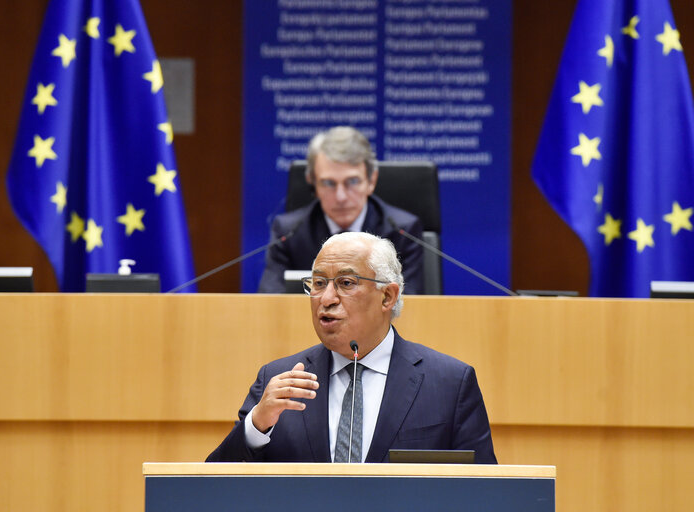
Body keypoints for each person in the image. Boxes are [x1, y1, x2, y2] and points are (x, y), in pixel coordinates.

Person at [208, 232, 496, 463]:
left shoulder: (449, 384)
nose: (327, 298)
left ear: (387, 297)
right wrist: (257, 426)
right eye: (319, 283)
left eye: (345, 283)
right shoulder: (278, 378)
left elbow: (484, 493)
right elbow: (215, 489)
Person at [258, 126, 425, 294]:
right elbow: (271, 303)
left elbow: (410, 306)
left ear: (371, 181)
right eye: (329, 183)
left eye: (352, 181)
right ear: (313, 183)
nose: (341, 197)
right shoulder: (289, 233)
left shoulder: (402, 232)